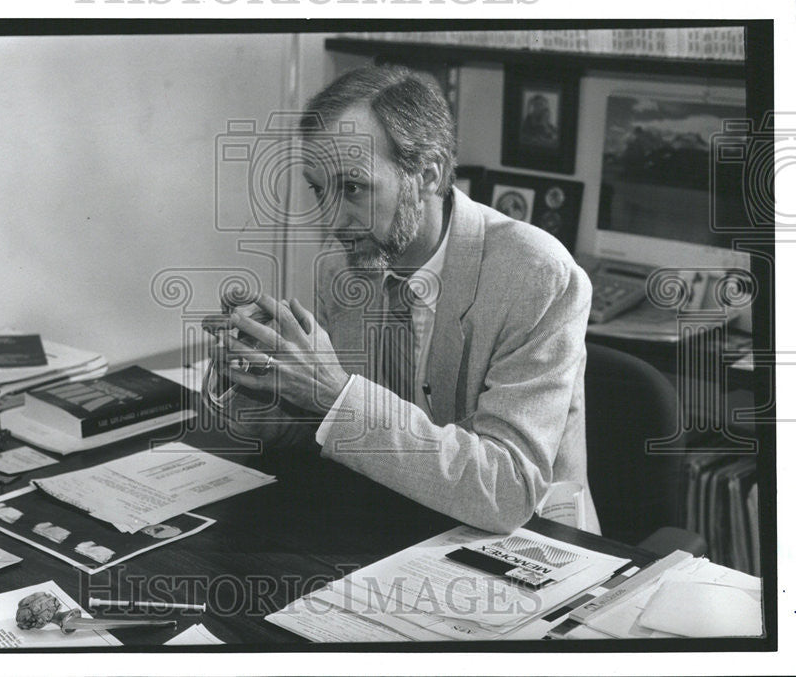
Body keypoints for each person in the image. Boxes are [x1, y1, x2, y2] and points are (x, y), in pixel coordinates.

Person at [210, 64, 598, 535]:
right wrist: (263, 385)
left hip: (533, 549)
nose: (334, 220)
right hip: (399, 530)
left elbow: (506, 490)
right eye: (319, 188)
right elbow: (336, 432)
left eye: (352, 187)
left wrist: (331, 391)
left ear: (428, 175)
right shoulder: (345, 266)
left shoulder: (536, 275)